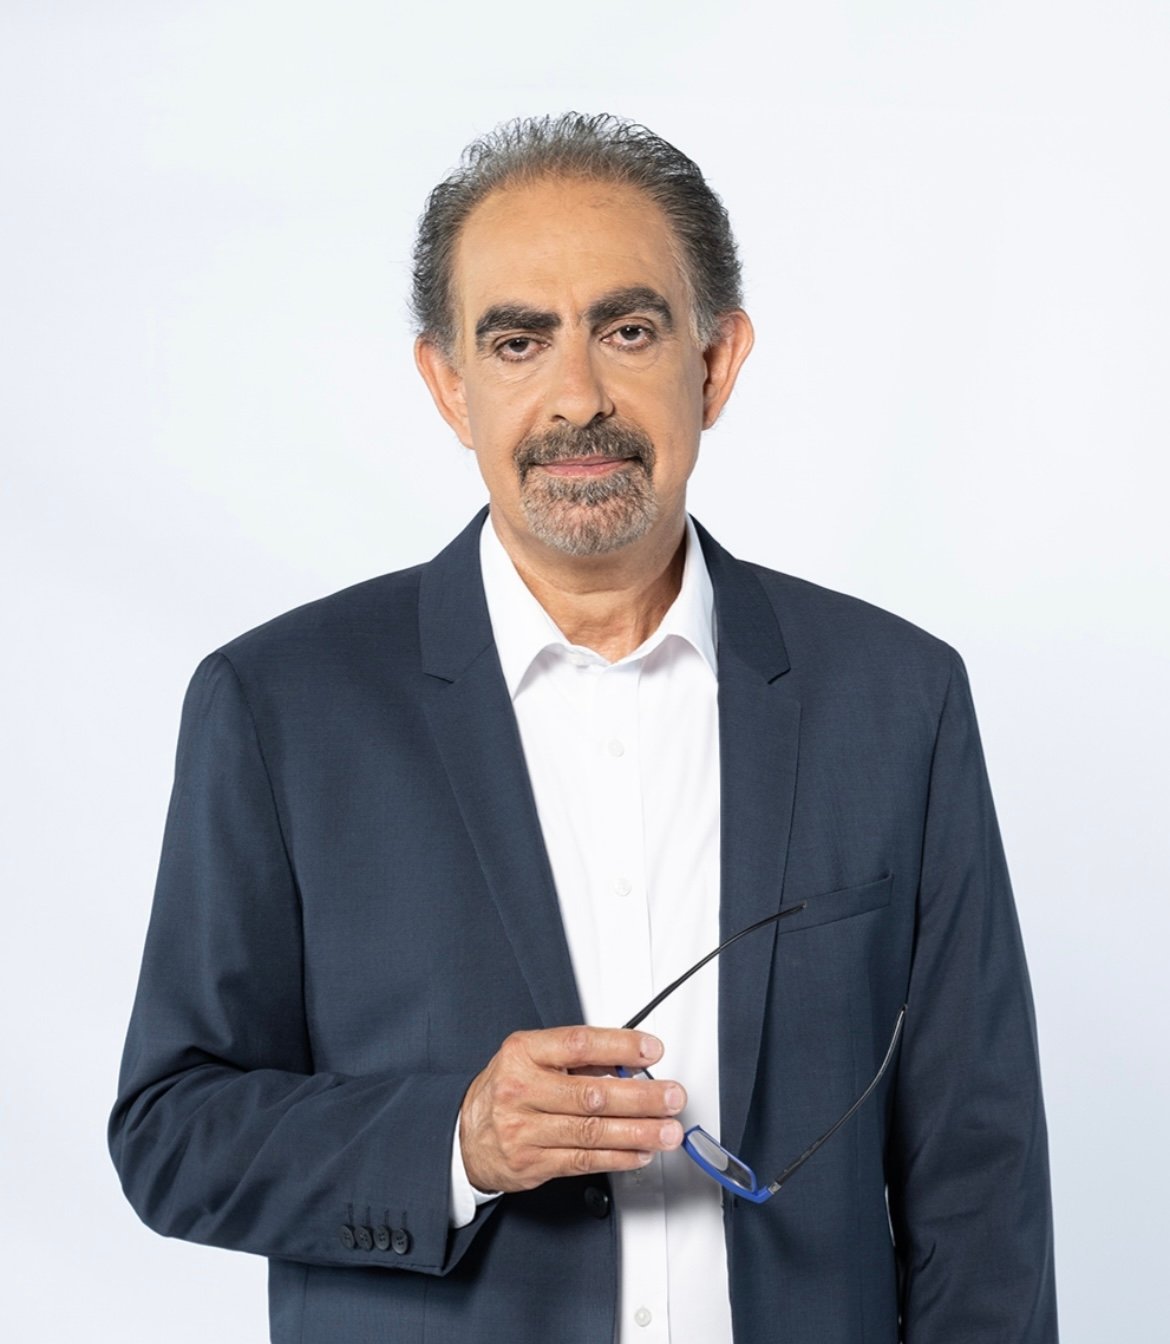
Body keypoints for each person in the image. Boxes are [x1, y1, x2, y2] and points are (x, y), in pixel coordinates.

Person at [110, 113, 1058, 1343]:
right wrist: (455, 1141)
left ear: (715, 363)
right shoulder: (279, 706)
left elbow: (980, 1172)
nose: (577, 398)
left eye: (628, 330)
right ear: (448, 386)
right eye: (518, 341)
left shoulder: (895, 697)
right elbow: (172, 1132)